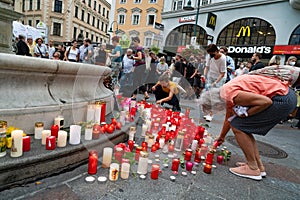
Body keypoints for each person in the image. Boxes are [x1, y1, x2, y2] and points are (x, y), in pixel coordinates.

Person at [200, 66, 300, 181]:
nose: (217, 112)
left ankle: (252, 168)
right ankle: (258, 167)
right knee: (241, 126)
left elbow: (265, 102)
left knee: (239, 126)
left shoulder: (228, 94)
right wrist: (222, 136)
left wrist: (246, 114)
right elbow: (230, 118)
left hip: (282, 100)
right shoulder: (226, 92)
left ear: (215, 104)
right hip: (286, 97)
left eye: (214, 110)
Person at [203, 44, 227, 122]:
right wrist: (204, 76)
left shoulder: (223, 58)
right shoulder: (209, 56)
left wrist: (215, 83)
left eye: (212, 54)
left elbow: (222, 73)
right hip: (211, 75)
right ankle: (207, 112)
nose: (211, 56)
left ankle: (211, 114)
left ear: (217, 51)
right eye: (209, 54)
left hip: (220, 78)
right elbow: (207, 67)